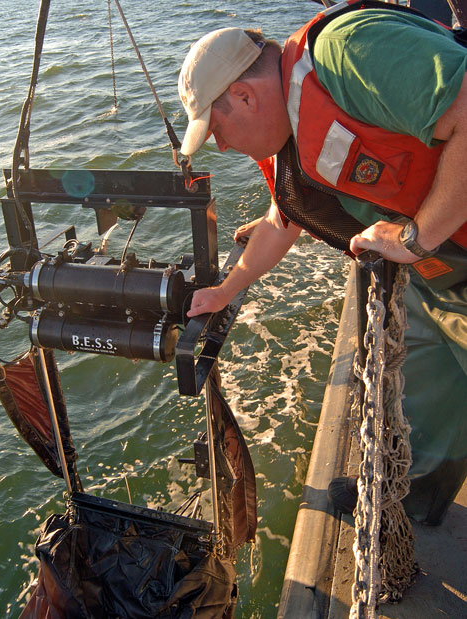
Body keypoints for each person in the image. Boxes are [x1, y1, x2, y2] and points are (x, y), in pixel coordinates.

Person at [177, 0, 467, 524]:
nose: (219, 145)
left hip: (437, 244)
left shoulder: (349, 51)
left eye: (216, 129)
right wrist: (226, 290)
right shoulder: (286, 127)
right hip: (438, 267)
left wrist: (417, 238)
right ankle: (417, 494)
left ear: (244, 95)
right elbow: (284, 216)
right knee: (428, 388)